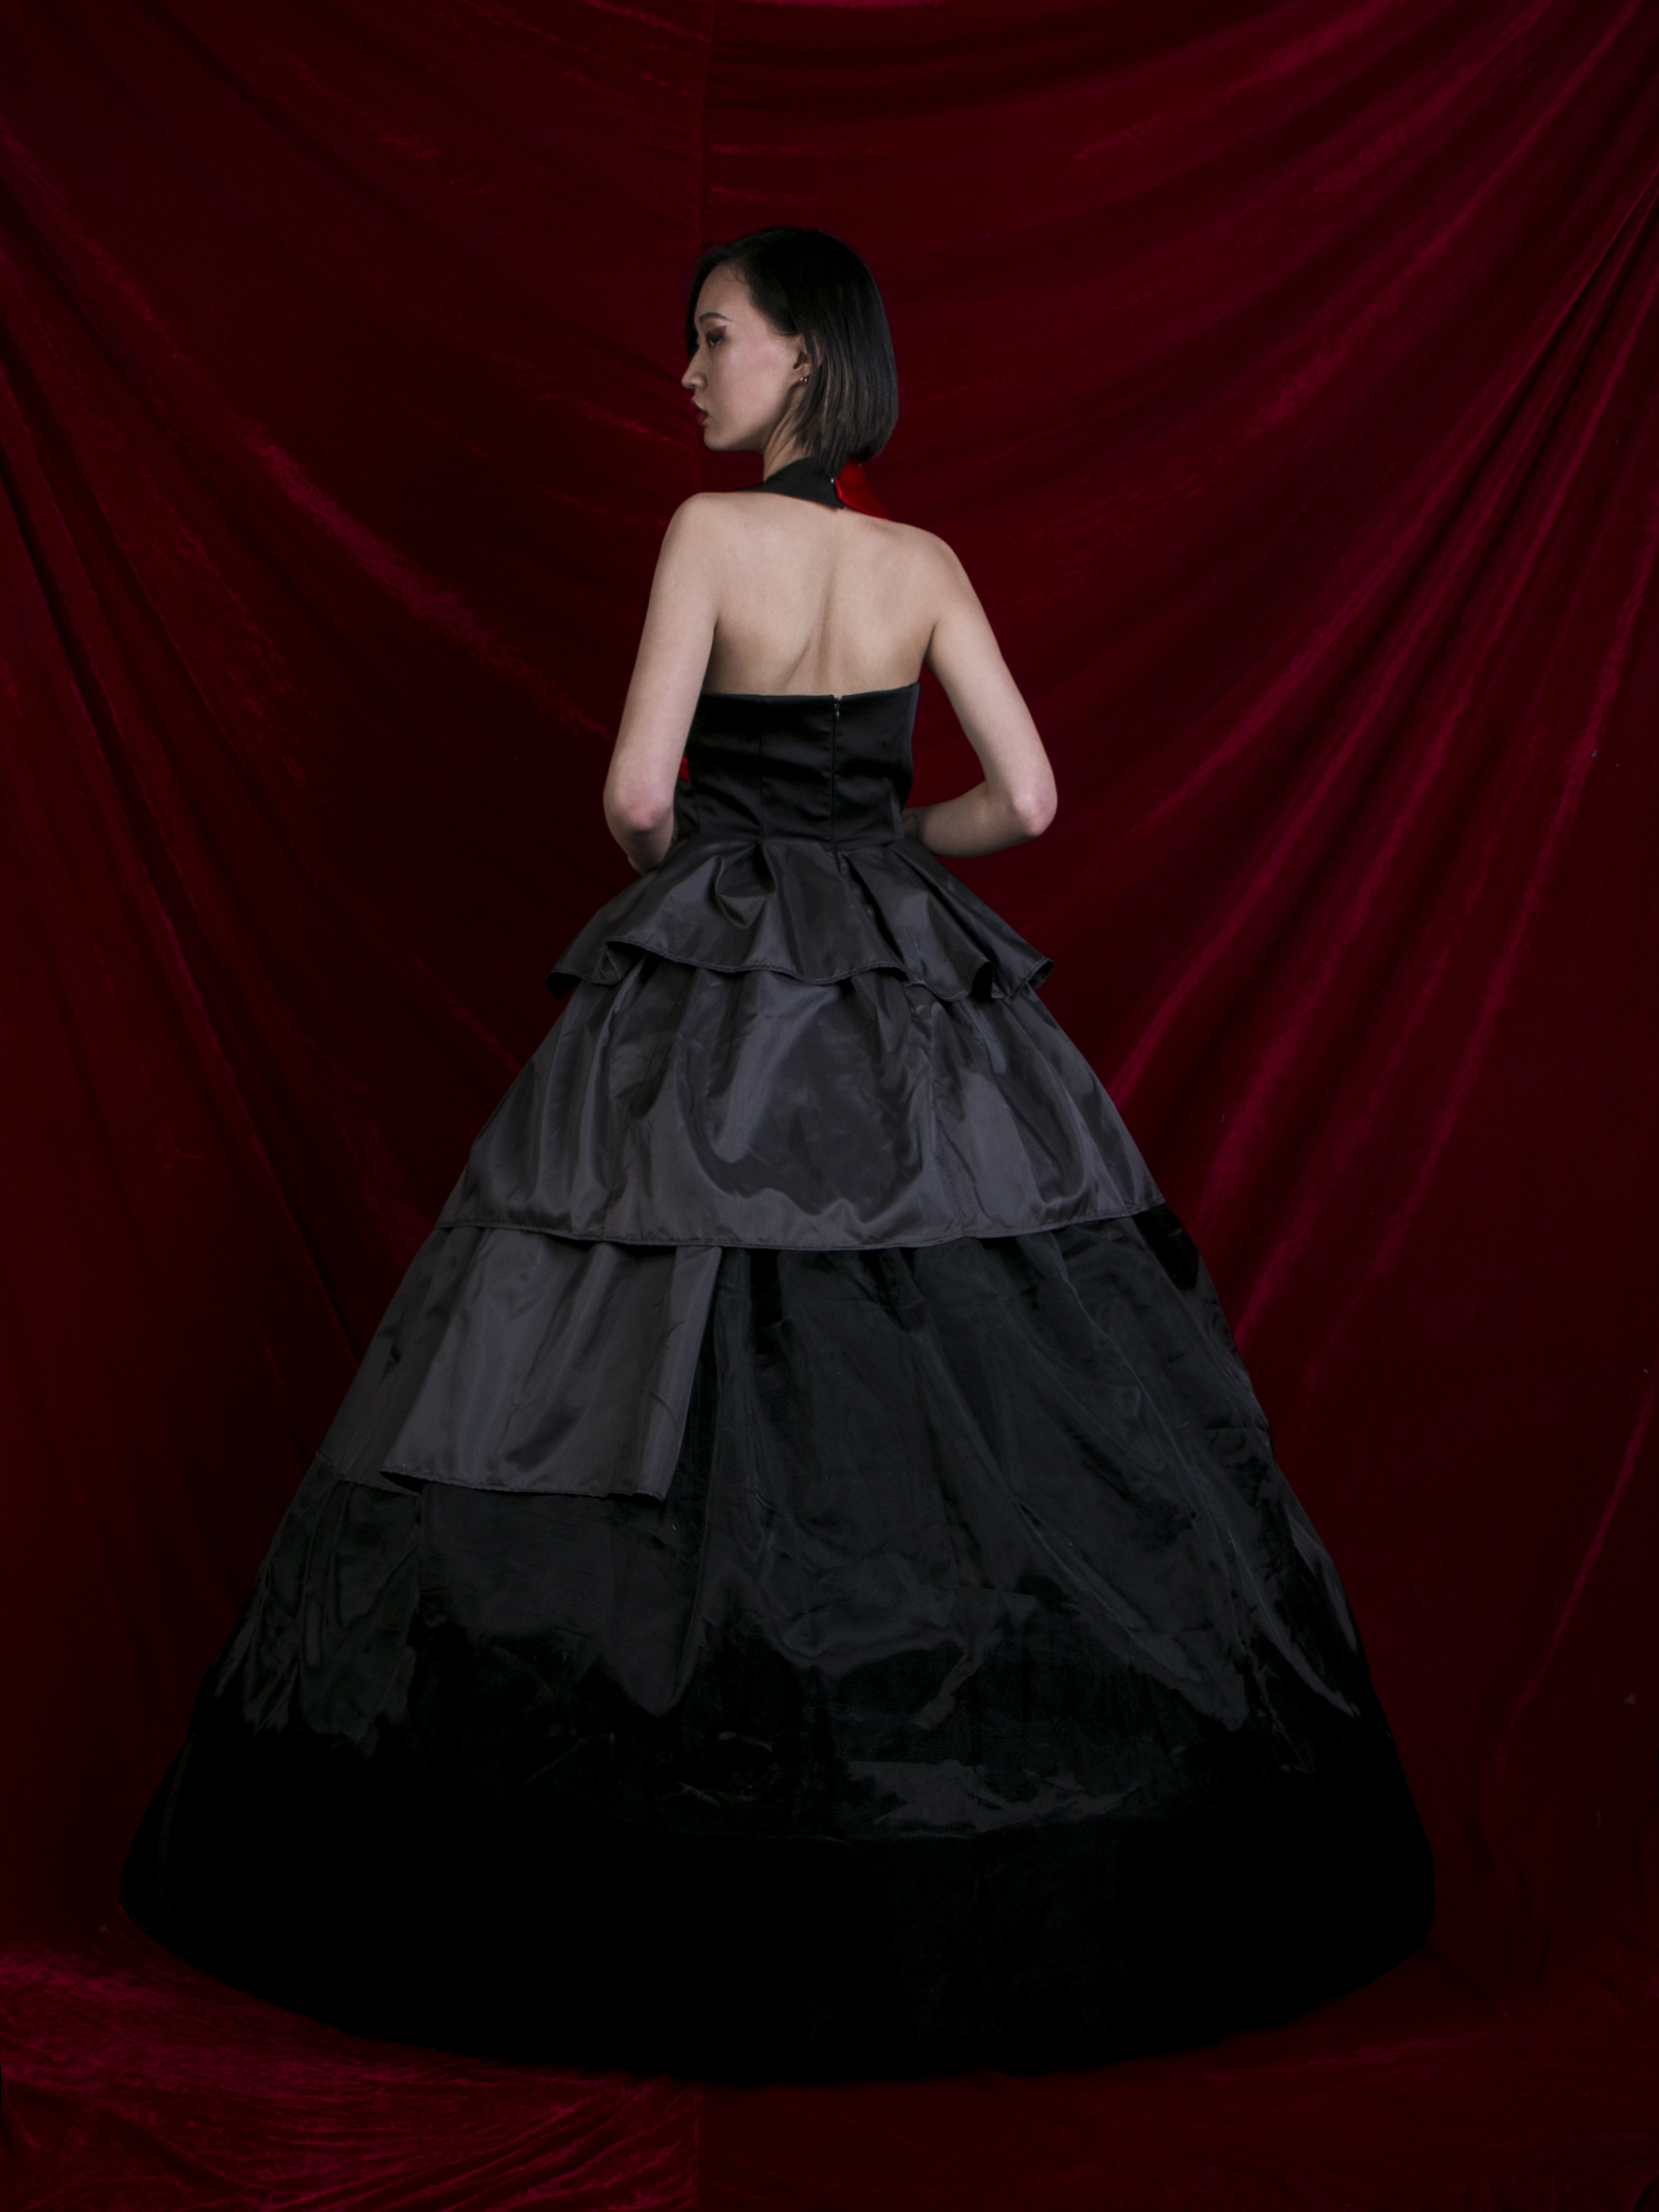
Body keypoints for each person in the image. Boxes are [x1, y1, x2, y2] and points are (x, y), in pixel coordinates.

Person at [124, 226, 1434, 2079]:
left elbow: (635, 794)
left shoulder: (706, 535)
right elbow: (1031, 797)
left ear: (805, 351)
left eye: (713, 336)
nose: (687, 371)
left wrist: (706, 883)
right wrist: (887, 858)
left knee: (635, 1342)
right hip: (902, 981)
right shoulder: (924, 566)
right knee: (925, 1354)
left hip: (718, 975)